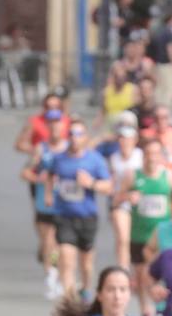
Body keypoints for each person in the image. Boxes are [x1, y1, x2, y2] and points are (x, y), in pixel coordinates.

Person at [43, 119, 112, 302]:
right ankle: (69, 301)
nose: (75, 138)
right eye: (71, 134)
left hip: (87, 217)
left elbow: (108, 186)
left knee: (86, 264)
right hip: (64, 215)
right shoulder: (59, 159)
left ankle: (85, 288)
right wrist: (49, 195)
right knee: (66, 258)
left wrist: (91, 183)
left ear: (85, 137)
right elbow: (50, 176)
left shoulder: (94, 160)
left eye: (79, 134)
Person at [122, 136, 172, 316]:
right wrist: (128, 197)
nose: (151, 157)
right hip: (139, 234)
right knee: (140, 275)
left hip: (162, 236)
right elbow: (117, 198)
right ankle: (145, 309)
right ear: (142, 156)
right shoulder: (133, 175)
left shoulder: (168, 175)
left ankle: (161, 308)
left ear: (161, 156)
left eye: (155, 153)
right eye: (148, 153)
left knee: (162, 272)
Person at [20, 108, 68, 300]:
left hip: (64, 203)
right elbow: (25, 172)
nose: (55, 126)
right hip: (44, 202)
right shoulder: (41, 149)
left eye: (58, 123)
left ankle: (55, 273)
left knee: (57, 242)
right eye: (51, 123)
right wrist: (39, 178)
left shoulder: (69, 148)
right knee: (47, 241)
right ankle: (51, 273)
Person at [105, 121, 144, 273]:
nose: (124, 142)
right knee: (123, 238)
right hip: (120, 201)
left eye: (128, 138)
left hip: (140, 202)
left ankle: (138, 271)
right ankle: (124, 270)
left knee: (139, 240)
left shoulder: (141, 156)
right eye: (121, 138)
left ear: (134, 140)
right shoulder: (113, 159)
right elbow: (110, 184)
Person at [149, 8, 172, 112]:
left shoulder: (158, 31)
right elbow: (171, 49)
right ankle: (166, 114)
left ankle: (159, 112)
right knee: (169, 93)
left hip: (158, 65)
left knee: (159, 92)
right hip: (168, 66)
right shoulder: (168, 32)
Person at [148, 103, 172, 169]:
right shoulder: (146, 135)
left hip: (171, 173)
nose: (160, 121)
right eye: (157, 118)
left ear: (169, 118)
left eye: (164, 118)